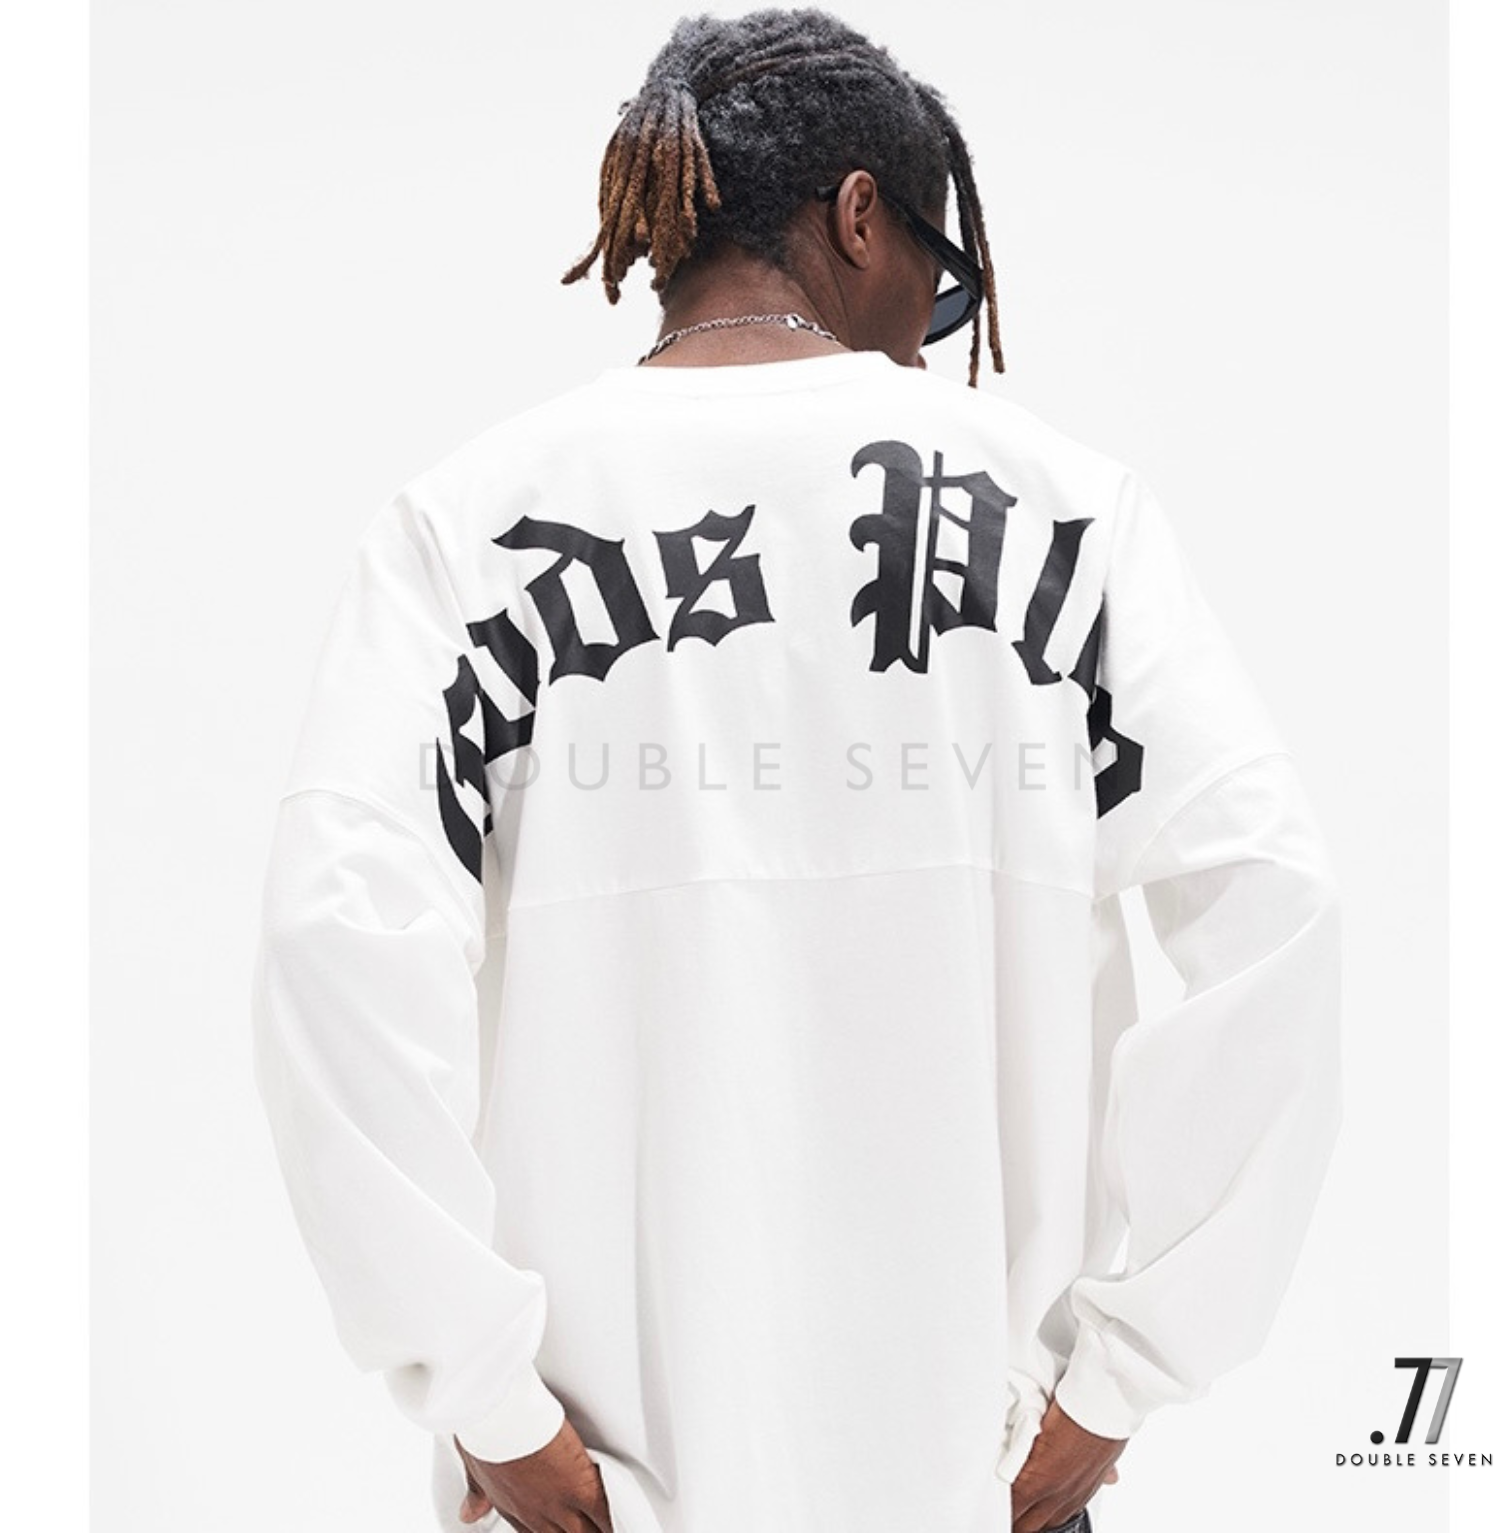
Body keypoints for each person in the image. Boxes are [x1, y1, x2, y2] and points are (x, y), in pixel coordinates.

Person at [249, 9, 1344, 1533]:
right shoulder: (1071, 516)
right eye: (938, 278)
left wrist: (486, 1399)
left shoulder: (470, 522)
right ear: (858, 214)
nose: (932, 332)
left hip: (603, 1490)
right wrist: (1122, 1378)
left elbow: (333, 941)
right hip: (973, 1477)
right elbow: (1275, 904)